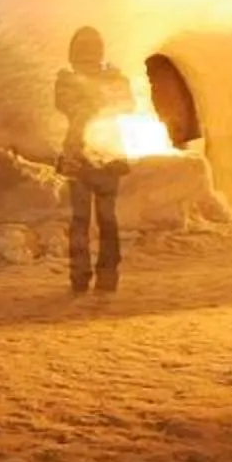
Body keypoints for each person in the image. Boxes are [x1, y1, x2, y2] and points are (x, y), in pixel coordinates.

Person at [54, 27, 136, 295]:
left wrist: (96, 94)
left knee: (87, 219)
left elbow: (124, 104)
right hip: (98, 154)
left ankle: (84, 276)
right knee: (101, 218)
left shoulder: (72, 80)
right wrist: (102, 94)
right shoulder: (75, 81)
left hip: (90, 154)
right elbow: (74, 106)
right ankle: (103, 275)